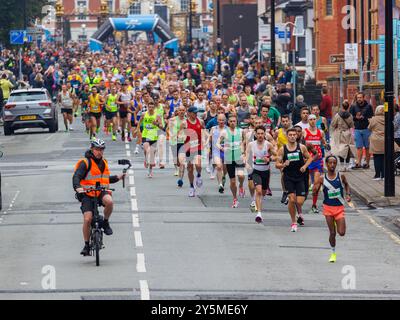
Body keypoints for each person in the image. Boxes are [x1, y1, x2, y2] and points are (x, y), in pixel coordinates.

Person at [73, 139, 126, 256]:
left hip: (100, 192)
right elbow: (76, 177)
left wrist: (118, 177)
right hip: (87, 193)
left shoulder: (104, 162)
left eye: (101, 149)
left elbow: (104, 179)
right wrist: (78, 188)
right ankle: (86, 245)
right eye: (97, 149)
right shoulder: (85, 163)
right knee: (87, 219)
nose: (99, 152)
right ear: (92, 149)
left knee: (110, 201)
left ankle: (106, 222)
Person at [313, 155, 351, 263]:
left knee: (342, 232)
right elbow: (314, 192)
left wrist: (348, 194)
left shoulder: (341, 176)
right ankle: (333, 253)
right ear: (326, 164)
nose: (332, 165)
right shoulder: (321, 178)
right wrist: (315, 188)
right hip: (328, 208)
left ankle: (337, 223)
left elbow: (347, 185)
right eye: (330, 163)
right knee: (332, 233)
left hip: (339, 208)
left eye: (334, 163)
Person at [276, 128, 313, 232]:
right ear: (287, 137)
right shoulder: (282, 149)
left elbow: (310, 158)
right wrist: (283, 164)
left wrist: (305, 166)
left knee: (299, 201)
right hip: (288, 177)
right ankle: (293, 222)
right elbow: (276, 165)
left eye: (294, 135)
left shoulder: (302, 147)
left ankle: (297, 210)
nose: (292, 136)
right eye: (290, 135)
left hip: (300, 177)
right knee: (292, 199)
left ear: (297, 136)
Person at [246, 125, 276, 223]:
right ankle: (259, 214)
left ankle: (258, 201)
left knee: (262, 193)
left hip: (265, 172)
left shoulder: (268, 145)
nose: (260, 135)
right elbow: (246, 156)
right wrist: (247, 164)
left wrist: (270, 159)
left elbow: (278, 156)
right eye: (258, 133)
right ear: (255, 134)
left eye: (262, 133)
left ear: (265, 134)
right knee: (258, 191)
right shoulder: (251, 144)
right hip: (256, 171)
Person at [217, 115, 246, 208]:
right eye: (231, 121)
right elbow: (217, 143)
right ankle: (235, 199)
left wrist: (243, 149)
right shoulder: (224, 132)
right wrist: (221, 148)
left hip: (239, 157)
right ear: (228, 122)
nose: (233, 122)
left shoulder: (241, 131)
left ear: (236, 122)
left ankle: (241, 186)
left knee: (241, 176)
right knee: (233, 181)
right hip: (229, 158)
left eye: (234, 121)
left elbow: (246, 140)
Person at [304, 114, 328, 214]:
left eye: (314, 119)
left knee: (316, 185)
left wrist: (327, 146)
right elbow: (301, 144)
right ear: (308, 121)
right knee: (307, 184)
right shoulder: (304, 132)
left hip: (318, 160)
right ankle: (300, 201)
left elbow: (324, 143)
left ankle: (314, 205)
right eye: (311, 120)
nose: (313, 121)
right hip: (308, 160)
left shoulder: (320, 132)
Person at [182, 106, 205, 197]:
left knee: (198, 165)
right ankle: (191, 187)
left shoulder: (200, 121)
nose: (196, 114)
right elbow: (179, 134)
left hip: (198, 146)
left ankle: (199, 175)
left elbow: (204, 130)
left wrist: (205, 140)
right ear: (189, 113)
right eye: (194, 112)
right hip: (188, 147)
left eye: (196, 112)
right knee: (190, 168)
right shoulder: (184, 123)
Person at [137, 100, 162, 178]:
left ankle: (150, 171)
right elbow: (139, 122)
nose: (150, 108)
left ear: (154, 108)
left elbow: (161, 126)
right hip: (145, 135)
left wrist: (157, 124)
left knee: (152, 154)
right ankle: (146, 159)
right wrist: (137, 129)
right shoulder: (144, 114)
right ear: (147, 107)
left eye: (152, 107)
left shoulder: (157, 116)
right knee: (147, 150)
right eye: (149, 107)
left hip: (154, 136)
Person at [349, 92, 373, 169]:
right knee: (359, 147)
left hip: (366, 129)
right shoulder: (353, 106)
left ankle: (367, 163)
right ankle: (358, 163)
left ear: (363, 98)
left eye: (360, 97)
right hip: (357, 129)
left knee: (367, 147)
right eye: (358, 97)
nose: (359, 99)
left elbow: (371, 117)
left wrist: (364, 117)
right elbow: (350, 117)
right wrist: (356, 117)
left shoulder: (368, 106)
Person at [330, 100, 355, 171]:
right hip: (347, 133)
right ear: (348, 107)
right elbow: (352, 125)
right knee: (347, 149)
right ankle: (346, 166)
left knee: (340, 149)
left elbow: (333, 124)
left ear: (342, 106)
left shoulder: (337, 115)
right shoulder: (350, 115)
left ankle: (341, 166)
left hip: (339, 134)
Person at [368, 105, 385, 180]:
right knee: (384, 157)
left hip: (375, 140)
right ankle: (384, 175)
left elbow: (369, 128)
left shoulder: (373, 119)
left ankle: (377, 175)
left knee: (377, 157)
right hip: (384, 139)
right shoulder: (387, 118)